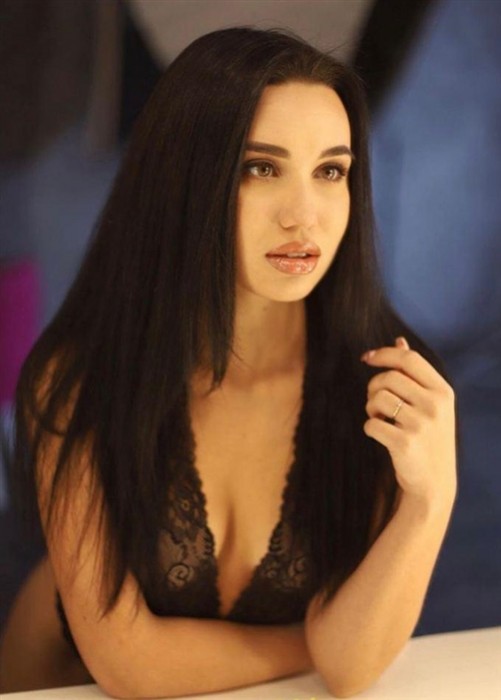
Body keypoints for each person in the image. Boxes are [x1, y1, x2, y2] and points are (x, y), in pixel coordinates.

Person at [0, 26, 457, 697]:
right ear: (186, 180)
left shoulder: (388, 386)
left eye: (330, 170)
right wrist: (319, 641)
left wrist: (430, 497)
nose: (304, 216)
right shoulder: (81, 378)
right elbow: (128, 666)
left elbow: (352, 667)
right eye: (261, 168)